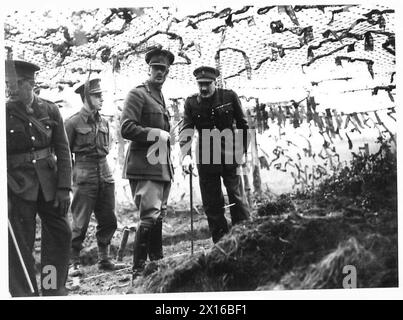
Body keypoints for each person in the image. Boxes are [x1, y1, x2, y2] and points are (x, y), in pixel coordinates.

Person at [6, 59, 72, 296]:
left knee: (59, 235)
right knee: (19, 244)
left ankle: (51, 286)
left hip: (50, 185)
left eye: (17, 83)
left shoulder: (50, 109)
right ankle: (25, 293)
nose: (11, 89)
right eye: (8, 84)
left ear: (31, 84)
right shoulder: (4, 113)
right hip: (18, 186)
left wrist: (65, 187)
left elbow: (63, 150)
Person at [179, 66, 250, 243]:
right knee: (212, 203)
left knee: (236, 197)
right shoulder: (191, 102)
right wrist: (186, 155)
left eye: (207, 84)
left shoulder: (229, 96)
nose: (203, 88)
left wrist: (242, 151)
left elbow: (243, 125)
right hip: (206, 157)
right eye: (200, 84)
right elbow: (186, 129)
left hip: (229, 154)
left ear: (215, 82)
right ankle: (221, 243)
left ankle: (243, 237)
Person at [120, 47, 174, 276]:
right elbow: (126, 127)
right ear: (149, 68)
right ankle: (139, 269)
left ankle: (156, 261)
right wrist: (155, 134)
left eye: (164, 69)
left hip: (160, 165)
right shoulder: (137, 94)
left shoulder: (160, 97)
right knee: (149, 215)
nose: (160, 73)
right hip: (144, 166)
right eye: (157, 68)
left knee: (158, 214)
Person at [65, 78, 125, 274]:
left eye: (101, 95)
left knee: (109, 219)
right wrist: (69, 179)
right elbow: (64, 154)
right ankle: (72, 263)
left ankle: (104, 260)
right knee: (80, 222)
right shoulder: (72, 122)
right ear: (86, 97)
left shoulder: (105, 121)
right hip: (83, 172)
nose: (101, 99)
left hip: (104, 171)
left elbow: (106, 148)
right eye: (97, 95)